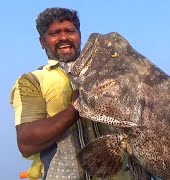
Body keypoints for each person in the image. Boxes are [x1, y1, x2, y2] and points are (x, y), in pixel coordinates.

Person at [10, 7, 130, 180]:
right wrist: (77, 107)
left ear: (79, 36)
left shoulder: (111, 73)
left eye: (70, 31)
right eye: (54, 33)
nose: (64, 37)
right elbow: (26, 142)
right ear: (42, 41)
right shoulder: (32, 81)